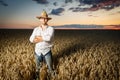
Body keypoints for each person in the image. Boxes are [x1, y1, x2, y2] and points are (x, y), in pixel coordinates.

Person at [29, 10, 54, 79]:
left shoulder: (51, 29)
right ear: (40, 19)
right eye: (42, 18)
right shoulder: (36, 29)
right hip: (37, 52)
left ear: (47, 20)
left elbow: (48, 38)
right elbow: (31, 39)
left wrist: (38, 38)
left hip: (47, 52)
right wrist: (43, 38)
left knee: (50, 69)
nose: (44, 19)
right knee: (37, 69)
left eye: (45, 18)